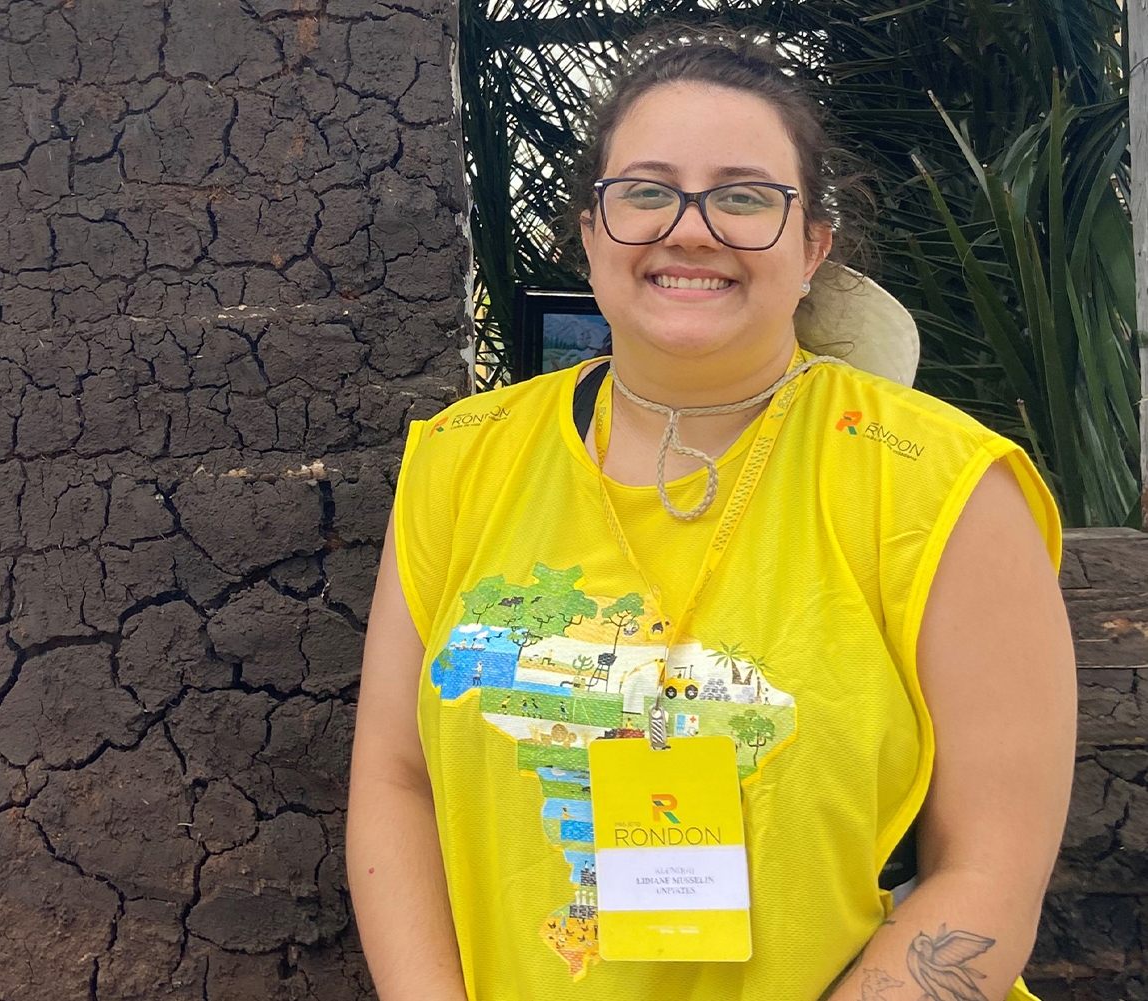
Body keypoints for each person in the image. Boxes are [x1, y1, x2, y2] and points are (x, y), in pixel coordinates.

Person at [346, 26, 1076, 1001]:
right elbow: (395, 779)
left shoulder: (942, 483)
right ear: (590, 232)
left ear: (812, 246)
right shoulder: (461, 459)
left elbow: (989, 870)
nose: (690, 229)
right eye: (646, 191)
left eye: (743, 196)